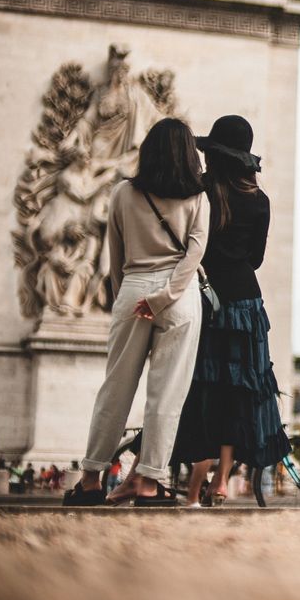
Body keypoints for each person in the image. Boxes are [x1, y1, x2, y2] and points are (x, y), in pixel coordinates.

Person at [65, 117, 210, 507]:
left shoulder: (123, 194)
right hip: (179, 298)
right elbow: (195, 254)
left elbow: (115, 256)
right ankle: (148, 483)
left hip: (133, 290)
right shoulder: (198, 196)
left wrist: (126, 299)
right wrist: (166, 296)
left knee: (115, 388)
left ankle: (91, 479)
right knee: (167, 396)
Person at [172, 115, 290, 507]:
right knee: (240, 392)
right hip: (245, 303)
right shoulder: (260, 200)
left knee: (206, 391)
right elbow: (255, 258)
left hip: (205, 298)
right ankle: (222, 478)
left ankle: (192, 481)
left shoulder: (200, 193)